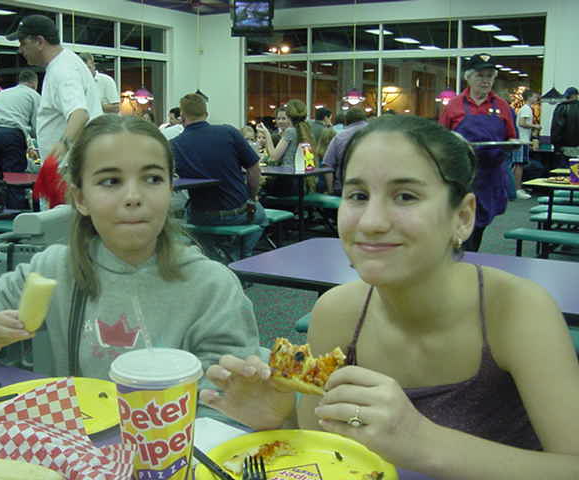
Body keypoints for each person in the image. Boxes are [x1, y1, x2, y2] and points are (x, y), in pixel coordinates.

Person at [201, 115, 579, 478]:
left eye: (406, 196)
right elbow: (327, 454)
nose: (371, 222)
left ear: (463, 217)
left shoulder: (517, 311)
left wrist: (422, 442)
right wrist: (282, 421)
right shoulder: (336, 312)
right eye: (358, 195)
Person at [0, 114, 261, 423]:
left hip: (174, 445)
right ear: (80, 198)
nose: (133, 197)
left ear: (171, 189)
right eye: (110, 181)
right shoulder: (52, 268)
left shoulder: (212, 287)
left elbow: (228, 406)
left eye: (153, 179)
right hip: (75, 443)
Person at [171, 93, 267, 260]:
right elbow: (254, 169)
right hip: (237, 212)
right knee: (261, 216)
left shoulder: (174, 145)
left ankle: (213, 255)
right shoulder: (229, 132)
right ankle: (239, 254)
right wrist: (252, 198)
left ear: (182, 117)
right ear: (206, 114)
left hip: (201, 216)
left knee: (187, 220)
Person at [440, 53, 516, 252]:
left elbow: (511, 137)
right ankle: (457, 261)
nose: (485, 80)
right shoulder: (454, 105)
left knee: (478, 227)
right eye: (480, 76)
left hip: (490, 178)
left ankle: (466, 261)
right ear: (468, 77)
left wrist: (513, 144)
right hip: (462, 176)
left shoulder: (502, 106)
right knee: (460, 225)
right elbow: (441, 139)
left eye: (489, 76)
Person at [6, 14, 102, 164]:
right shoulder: (64, 63)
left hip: (70, 167)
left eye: (23, 43)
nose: (20, 50)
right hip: (76, 163)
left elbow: (80, 114)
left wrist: (62, 147)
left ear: (39, 42)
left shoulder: (62, 69)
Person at [0, 69, 41, 209]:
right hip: (10, 134)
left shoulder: (4, 93)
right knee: (14, 177)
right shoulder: (33, 95)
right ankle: (15, 214)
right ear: (34, 83)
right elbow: (38, 127)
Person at [257, 99, 315, 196]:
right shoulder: (307, 131)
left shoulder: (290, 132)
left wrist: (266, 133)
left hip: (288, 183)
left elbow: (274, 157)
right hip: (302, 182)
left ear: (288, 115)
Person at [322, 106, 368, 196]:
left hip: (344, 188)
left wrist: (331, 191)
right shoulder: (375, 134)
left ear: (346, 121)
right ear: (365, 119)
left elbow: (327, 165)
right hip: (371, 188)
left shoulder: (339, 137)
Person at [515, 90, 541, 200]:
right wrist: (535, 126)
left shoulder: (526, 108)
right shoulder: (526, 108)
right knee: (519, 165)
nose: (537, 99)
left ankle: (516, 188)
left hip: (523, 140)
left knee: (518, 165)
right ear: (529, 97)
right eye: (535, 97)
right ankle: (517, 189)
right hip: (522, 141)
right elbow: (522, 123)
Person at [551, 87, 579, 167]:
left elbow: (557, 128)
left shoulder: (561, 107)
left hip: (564, 148)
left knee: (564, 172)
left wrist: (556, 146)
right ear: (576, 95)